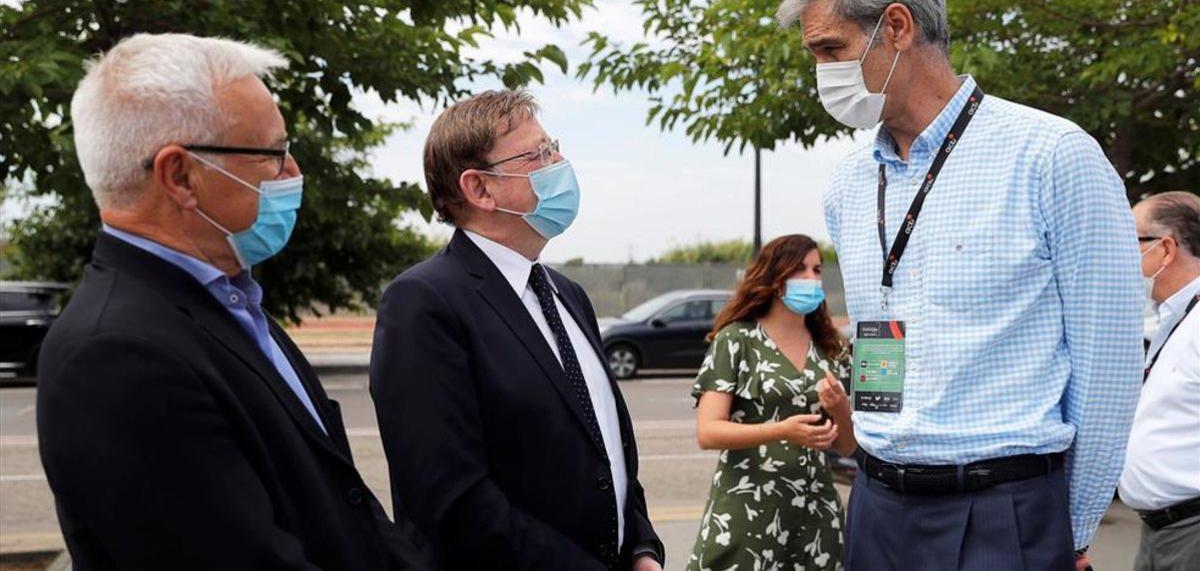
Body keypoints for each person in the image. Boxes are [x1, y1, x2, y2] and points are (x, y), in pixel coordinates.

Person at [777, 0, 1144, 571]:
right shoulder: (852, 184)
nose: (821, 74)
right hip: (879, 505)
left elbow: (1108, 364)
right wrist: (875, 448)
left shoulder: (1051, 157)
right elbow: (882, 333)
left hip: (1003, 509)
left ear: (896, 27)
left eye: (830, 49)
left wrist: (1076, 526)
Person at [36, 33, 432, 570]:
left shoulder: (230, 303)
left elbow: (349, 507)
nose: (293, 175)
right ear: (180, 176)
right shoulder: (117, 356)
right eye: (274, 153)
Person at [370, 90, 664, 570]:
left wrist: (642, 548)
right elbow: (451, 501)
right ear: (480, 189)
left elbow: (604, 450)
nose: (560, 163)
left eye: (555, 147)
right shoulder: (424, 303)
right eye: (539, 154)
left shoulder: (568, 295)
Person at [686, 234, 855, 571]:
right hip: (748, 508)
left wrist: (838, 408)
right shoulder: (736, 340)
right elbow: (708, 432)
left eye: (817, 270)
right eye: (800, 270)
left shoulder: (831, 348)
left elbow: (849, 446)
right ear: (775, 279)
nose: (812, 279)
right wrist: (781, 431)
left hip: (815, 514)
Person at [1119, 191, 1200, 570]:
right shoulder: (1175, 315)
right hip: (1160, 530)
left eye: (1129, 241)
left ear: (1165, 249)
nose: (1121, 256)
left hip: (1191, 532)